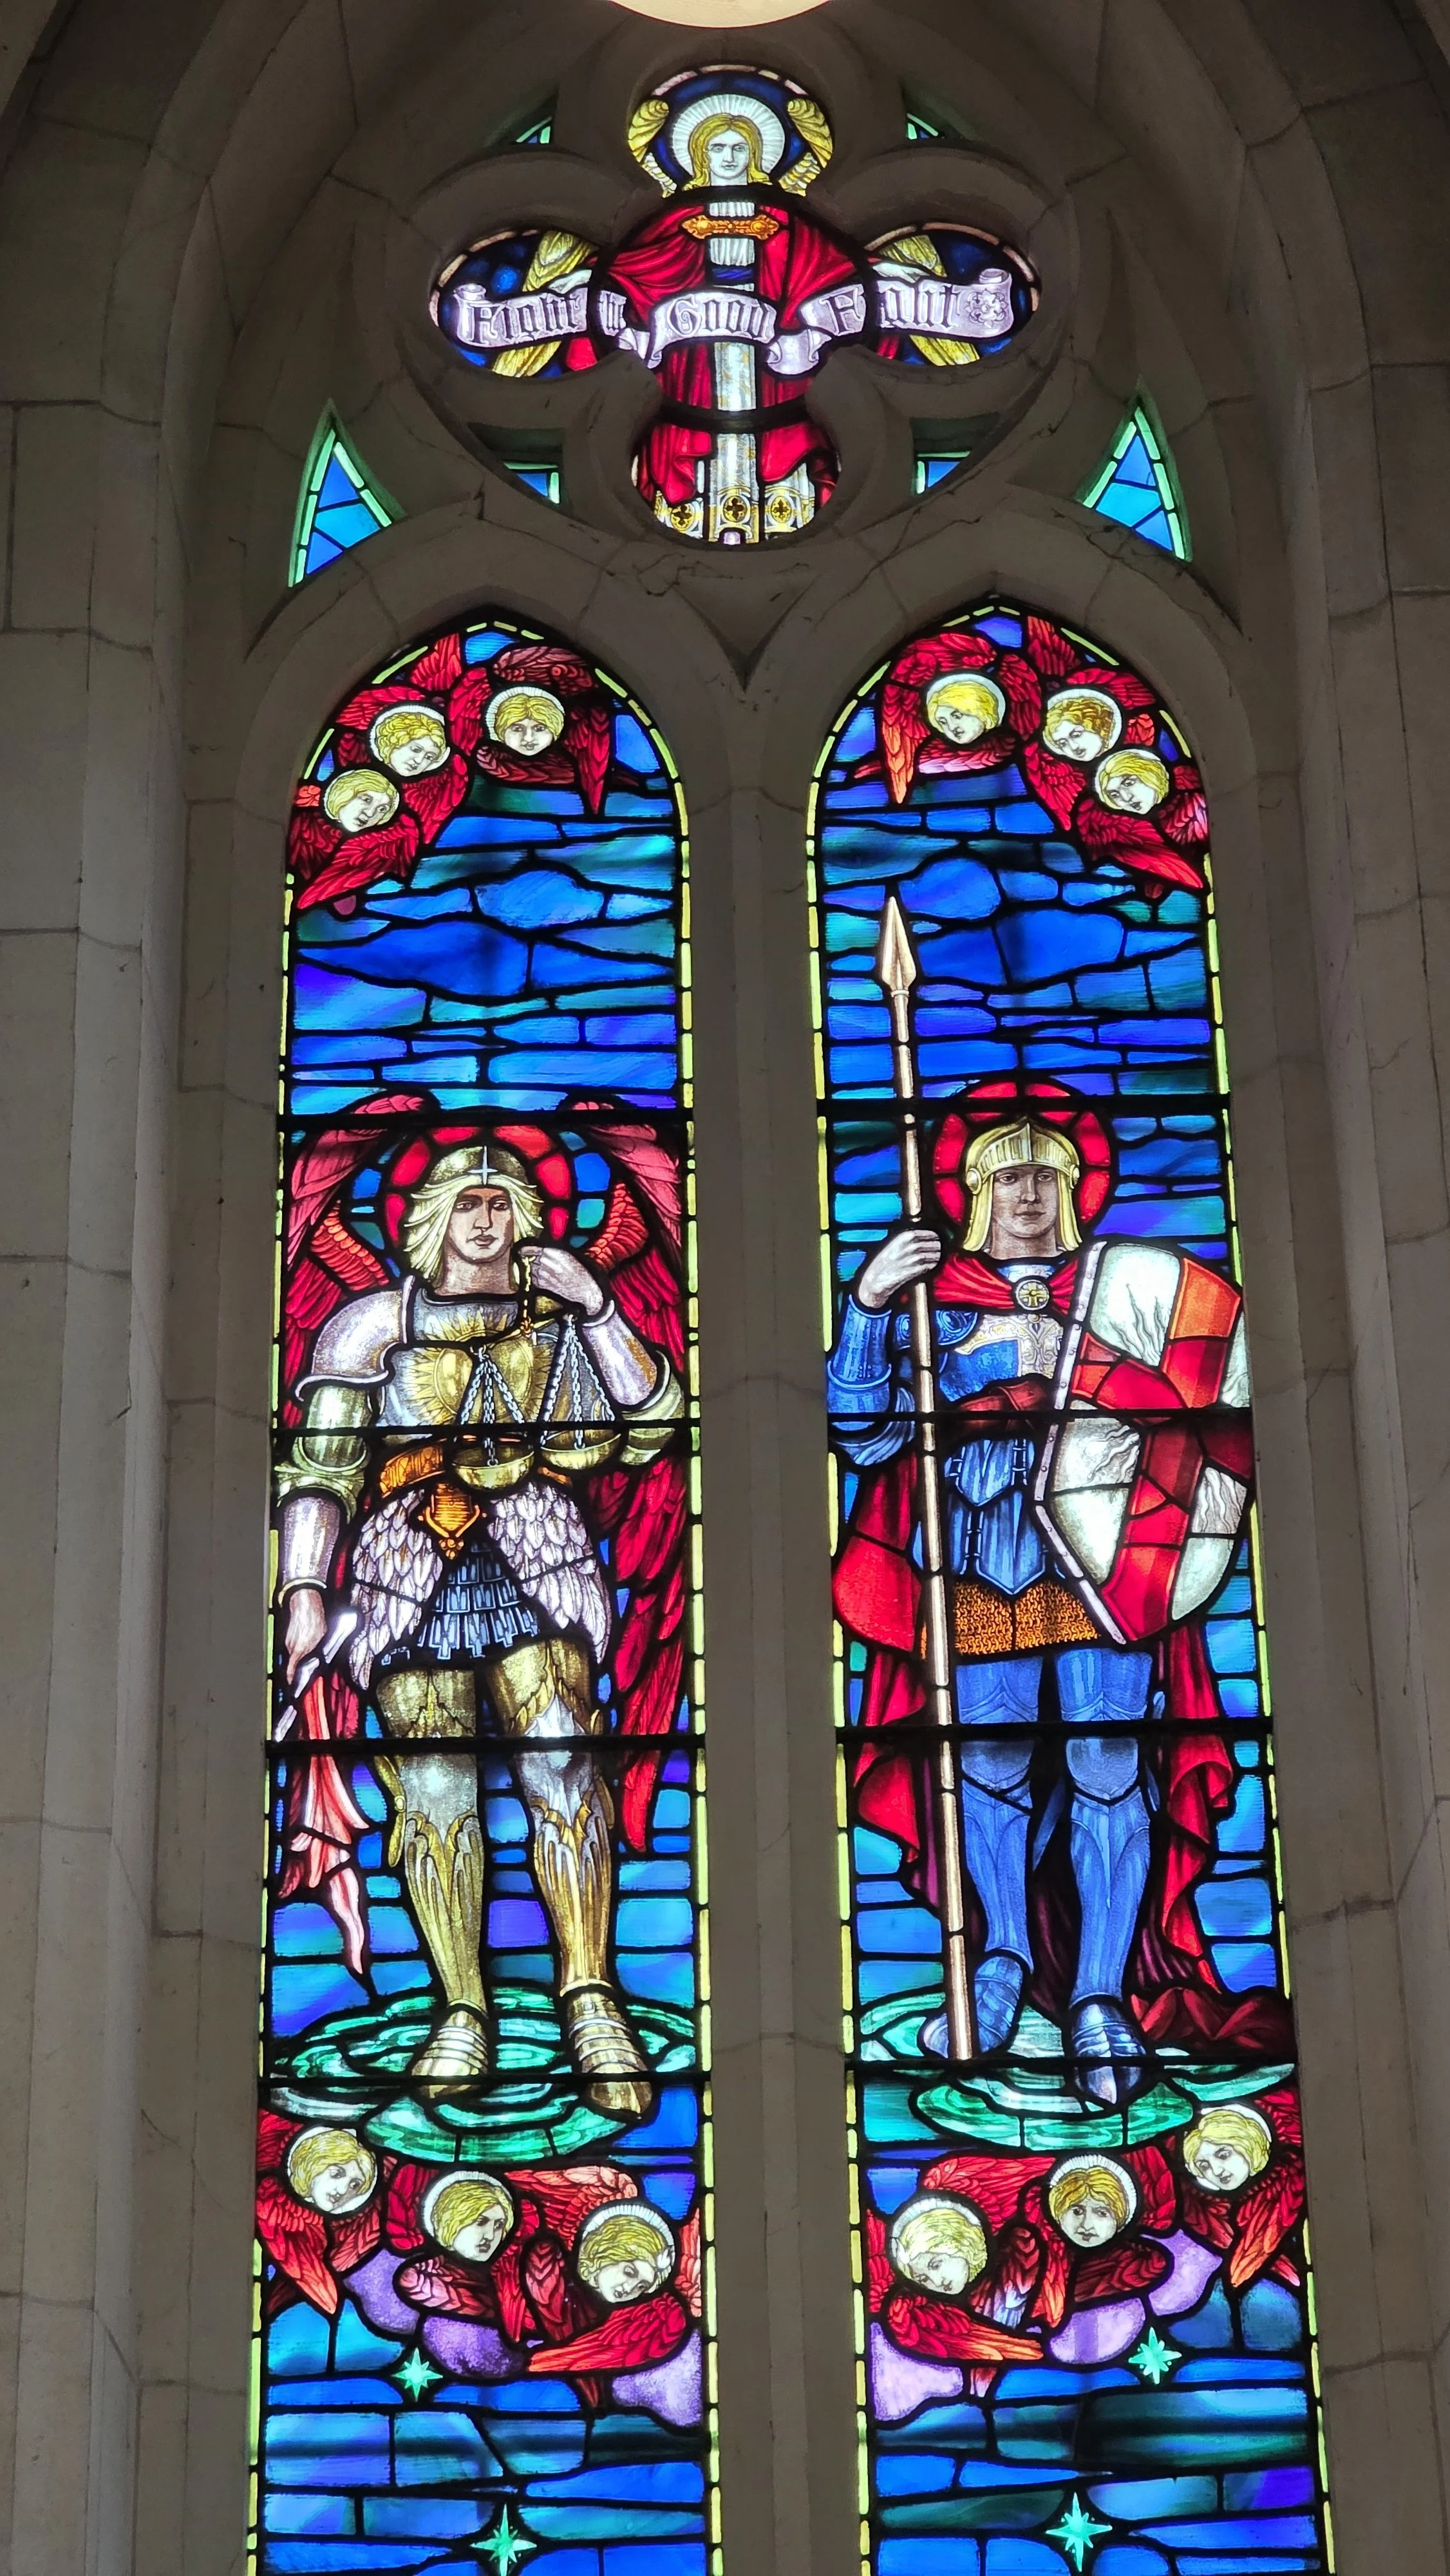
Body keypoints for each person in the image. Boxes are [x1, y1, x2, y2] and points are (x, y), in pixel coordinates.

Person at [829, 1077, 1253, 2105]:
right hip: (981, 1546)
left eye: (1044, 1176)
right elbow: (866, 1430)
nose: (1026, 1195)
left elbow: (1209, 1412)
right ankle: (1007, 1956)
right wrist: (870, 1305)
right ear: (973, 1191)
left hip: (1112, 1550)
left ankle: (1100, 1993)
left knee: (1111, 1760)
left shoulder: (1128, 1290)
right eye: (1005, 1176)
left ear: (1073, 1187)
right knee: (989, 1755)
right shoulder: (939, 1294)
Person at [276, 1137, 682, 2113]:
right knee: (433, 1790)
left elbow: (652, 1422)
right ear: (431, 1220)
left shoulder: (560, 1313)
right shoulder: (368, 1329)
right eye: (469, 1204)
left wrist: (600, 1307)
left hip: (535, 1551)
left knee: (561, 1761)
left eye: (506, 1204)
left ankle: (592, 1998)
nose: (489, 1221)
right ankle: (461, 2009)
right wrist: (299, 1589)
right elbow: (323, 1473)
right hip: (407, 1565)